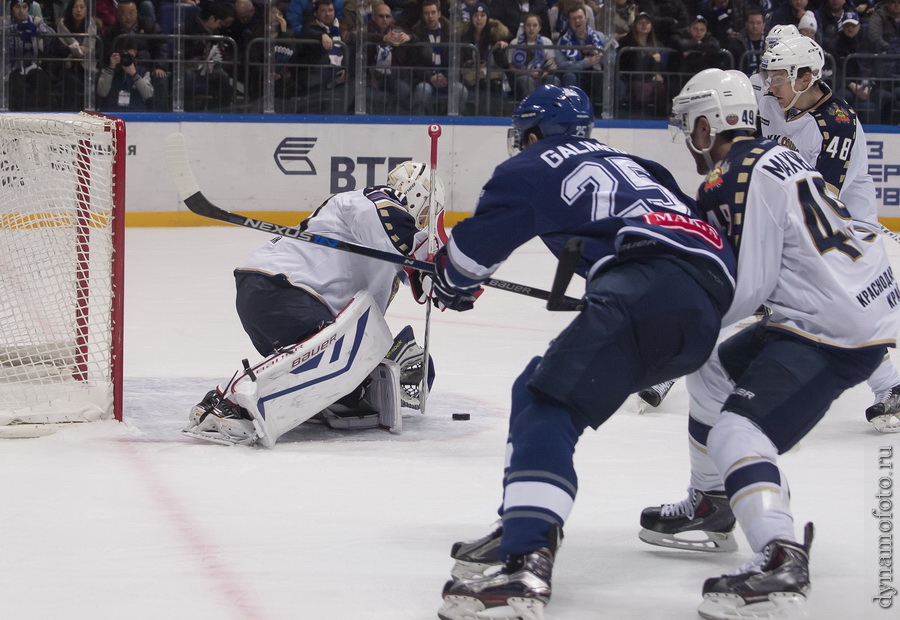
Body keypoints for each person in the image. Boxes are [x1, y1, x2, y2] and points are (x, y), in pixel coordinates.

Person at [431, 84, 738, 620]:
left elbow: (463, 264)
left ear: (531, 133)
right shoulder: (642, 166)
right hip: (707, 309)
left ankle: (526, 559)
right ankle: (523, 518)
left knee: (542, 398)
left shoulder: (529, 166)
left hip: (644, 286)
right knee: (542, 380)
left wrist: (446, 281)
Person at [640, 68, 900, 619]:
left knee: (737, 430)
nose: (689, 140)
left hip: (830, 325)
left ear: (708, 125)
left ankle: (779, 555)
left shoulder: (728, 179)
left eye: (690, 126)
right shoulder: (774, 155)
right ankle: (711, 504)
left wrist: (668, 326)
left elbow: (748, 287)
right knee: (709, 369)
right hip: (856, 298)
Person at [184, 161, 445, 448]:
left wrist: (443, 280)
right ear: (416, 194)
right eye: (423, 214)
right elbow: (392, 226)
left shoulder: (390, 255)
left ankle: (304, 400)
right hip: (285, 287)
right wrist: (425, 259)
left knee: (349, 375)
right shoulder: (370, 200)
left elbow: (421, 278)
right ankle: (229, 403)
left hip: (277, 292)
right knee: (345, 350)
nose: (422, 223)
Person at [757, 35, 900, 432]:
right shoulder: (771, 98)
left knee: (835, 311)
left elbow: (822, 204)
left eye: (779, 77)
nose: (771, 84)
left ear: (805, 77)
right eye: (769, 76)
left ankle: (890, 386)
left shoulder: (836, 123)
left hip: (846, 228)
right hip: (794, 216)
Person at [101, 0, 170, 111]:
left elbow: (161, 45)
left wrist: (160, 66)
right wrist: (113, 64)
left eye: (131, 12)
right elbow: (106, 54)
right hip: (119, 70)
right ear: (117, 14)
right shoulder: (111, 32)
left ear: (137, 12)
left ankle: (159, 117)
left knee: (161, 79)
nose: (127, 17)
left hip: (146, 69)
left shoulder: (149, 26)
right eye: (123, 13)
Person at [410, 0, 468, 114]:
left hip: (447, 80)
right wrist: (430, 76)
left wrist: (446, 77)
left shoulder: (452, 33)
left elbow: (457, 60)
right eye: (426, 13)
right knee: (422, 90)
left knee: (461, 90)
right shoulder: (417, 34)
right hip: (426, 80)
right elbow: (414, 63)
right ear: (423, 15)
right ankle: (417, 123)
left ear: (439, 14)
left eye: (433, 12)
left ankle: (456, 122)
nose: (430, 16)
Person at [555, 4, 613, 109]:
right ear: (569, 22)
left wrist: (598, 54)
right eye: (573, 19)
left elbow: (613, 60)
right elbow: (561, 65)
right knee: (569, 76)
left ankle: (601, 111)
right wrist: (586, 63)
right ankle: (572, 109)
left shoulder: (600, 37)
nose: (577, 21)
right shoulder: (562, 41)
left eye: (580, 17)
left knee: (606, 78)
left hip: (596, 76)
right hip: (577, 76)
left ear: (586, 19)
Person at [365, 1, 415, 113]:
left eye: (387, 16)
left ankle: (391, 119)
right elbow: (359, 36)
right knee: (369, 94)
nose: (384, 19)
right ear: (373, 17)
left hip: (392, 76)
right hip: (370, 76)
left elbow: (417, 38)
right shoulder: (367, 29)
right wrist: (382, 38)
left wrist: (410, 37)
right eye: (381, 16)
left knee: (404, 90)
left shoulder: (397, 30)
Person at [459, 2, 509, 115]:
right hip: (471, 76)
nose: (479, 19)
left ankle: (495, 119)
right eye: (476, 15)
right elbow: (460, 60)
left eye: (482, 15)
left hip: (491, 75)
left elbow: (502, 63)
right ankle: (481, 119)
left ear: (487, 17)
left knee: (494, 85)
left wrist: (500, 49)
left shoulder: (494, 35)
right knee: (482, 84)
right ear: (471, 18)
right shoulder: (465, 36)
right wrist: (472, 64)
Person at [6, 0, 55, 111]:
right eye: (17, 7)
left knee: (43, 80)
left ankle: (40, 114)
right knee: (16, 85)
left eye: (24, 7)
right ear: (12, 8)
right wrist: (14, 28)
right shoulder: (5, 21)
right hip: (11, 65)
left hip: (32, 64)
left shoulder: (35, 21)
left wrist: (38, 30)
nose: (21, 11)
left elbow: (52, 35)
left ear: (28, 8)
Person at [617, 11, 667, 118]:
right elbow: (628, 64)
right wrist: (650, 58)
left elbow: (659, 65)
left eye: (647, 22)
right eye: (641, 22)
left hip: (650, 79)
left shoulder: (656, 44)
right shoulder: (626, 43)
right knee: (641, 89)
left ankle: (660, 119)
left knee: (661, 88)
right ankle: (638, 118)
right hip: (633, 79)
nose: (644, 25)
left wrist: (657, 72)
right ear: (635, 25)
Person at [52, 0, 101, 110]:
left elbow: (98, 49)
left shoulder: (93, 26)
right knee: (71, 81)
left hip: (88, 66)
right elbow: (58, 50)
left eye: (82, 7)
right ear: (70, 9)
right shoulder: (62, 26)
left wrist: (88, 52)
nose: (78, 10)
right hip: (67, 66)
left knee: (96, 80)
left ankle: (93, 112)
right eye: (75, 7)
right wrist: (74, 50)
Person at [507, 12, 559, 100]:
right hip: (521, 77)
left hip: (542, 76)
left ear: (539, 28)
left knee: (553, 80)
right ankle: (531, 109)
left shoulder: (546, 42)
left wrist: (542, 73)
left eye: (535, 25)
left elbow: (552, 64)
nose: (531, 28)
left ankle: (550, 108)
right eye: (528, 25)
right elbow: (511, 68)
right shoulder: (514, 43)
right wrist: (530, 73)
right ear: (524, 27)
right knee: (527, 80)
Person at [97, 35, 155, 111]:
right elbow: (102, 92)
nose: (126, 58)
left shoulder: (143, 72)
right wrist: (111, 68)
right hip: (112, 112)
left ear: (135, 53)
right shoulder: (108, 70)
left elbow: (148, 94)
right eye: (123, 55)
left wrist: (134, 75)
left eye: (130, 55)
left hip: (136, 114)